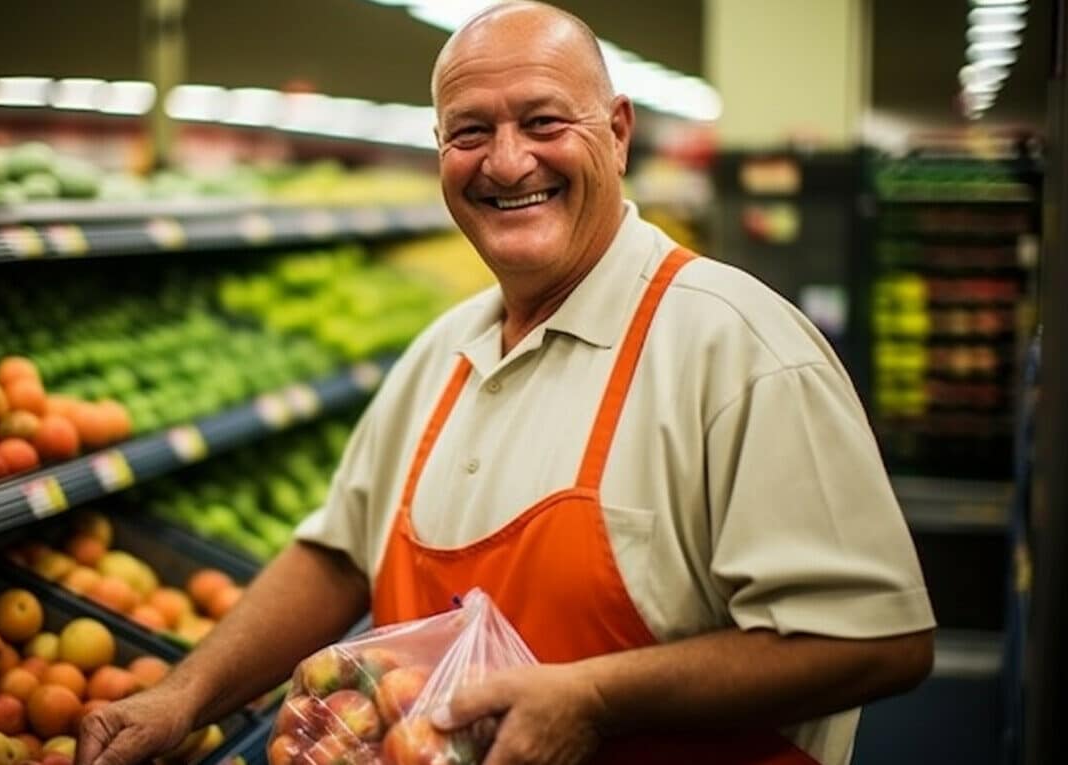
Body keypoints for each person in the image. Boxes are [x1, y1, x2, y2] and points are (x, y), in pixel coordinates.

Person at [76, 3, 935, 764]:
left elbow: (876, 640)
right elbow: (337, 554)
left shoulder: (735, 348)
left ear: (619, 131)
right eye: (470, 132)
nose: (508, 161)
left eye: (543, 121)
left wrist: (594, 699)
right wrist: (181, 698)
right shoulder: (441, 352)